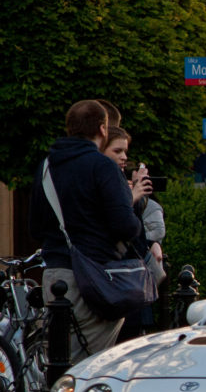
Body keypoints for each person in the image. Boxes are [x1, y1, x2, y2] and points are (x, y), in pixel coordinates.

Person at [29, 100, 143, 362]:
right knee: (89, 364)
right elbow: (124, 225)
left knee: (58, 358)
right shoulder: (102, 166)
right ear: (103, 129)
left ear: (69, 128)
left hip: (55, 273)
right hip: (94, 277)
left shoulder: (46, 167)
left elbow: (35, 227)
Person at [101, 126, 165, 341]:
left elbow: (134, 225)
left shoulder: (117, 177)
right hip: (117, 272)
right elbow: (118, 222)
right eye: (117, 151)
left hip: (131, 272)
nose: (124, 158)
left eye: (125, 152)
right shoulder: (103, 178)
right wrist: (134, 195)